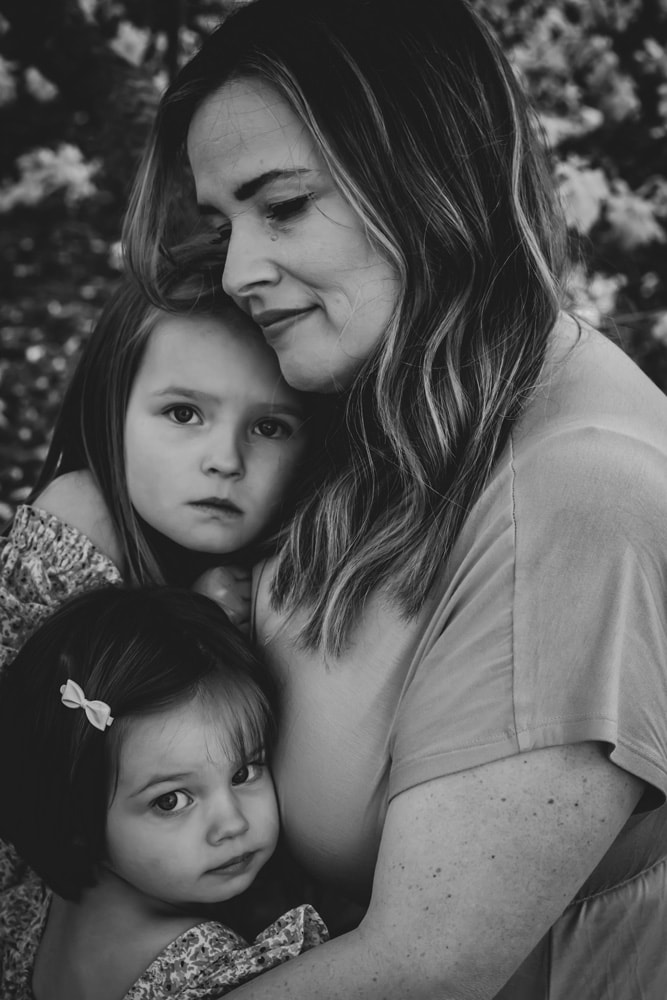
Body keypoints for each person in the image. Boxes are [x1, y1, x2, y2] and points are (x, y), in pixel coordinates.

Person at [124, 0, 667, 996]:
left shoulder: (576, 497)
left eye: (284, 205)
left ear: (431, 180)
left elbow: (423, 969)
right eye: (223, 223)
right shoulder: (375, 403)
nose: (239, 270)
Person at [0, 240, 319, 668]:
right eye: (184, 414)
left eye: (268, 427)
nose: (225, 461)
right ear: (112, 411)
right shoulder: (82, 516)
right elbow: (46, 698)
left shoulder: (296, 547)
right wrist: (195, 624)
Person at [0, 585, 327, 1000]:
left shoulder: (36, 904)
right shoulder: (205, 970)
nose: (232, 823)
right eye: (170, 801)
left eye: (243, 773)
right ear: (76, 817)